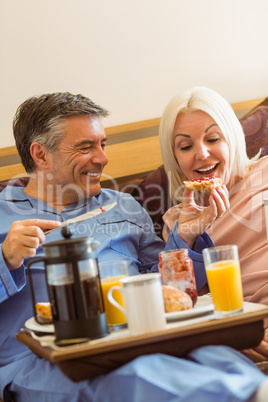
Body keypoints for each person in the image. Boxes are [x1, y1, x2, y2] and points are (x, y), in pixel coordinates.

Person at [0, 92, 266, 402]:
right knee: (135, 373)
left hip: (134, 338)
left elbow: (169, 288)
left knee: (212, 353)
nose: (102, 158)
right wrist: (6, 258)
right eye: (86, 147)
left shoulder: (123, 206)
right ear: (41, 155)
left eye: (103, 144)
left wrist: (188, 235)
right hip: (42, 358)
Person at [159, 86, 268, 362]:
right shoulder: (176, 222)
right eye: (186, 146)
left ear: (231, 138)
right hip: (240, 338)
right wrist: (187, 236)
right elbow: (179, 304)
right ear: (175, 158)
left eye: (213, 138)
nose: (202, 153)